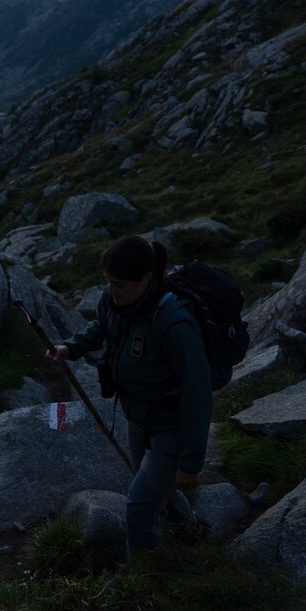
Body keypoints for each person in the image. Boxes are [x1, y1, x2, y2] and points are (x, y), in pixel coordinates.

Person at [46, 235, 212, 561]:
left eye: (118, 283)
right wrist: (71, 347)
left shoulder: (174, 323)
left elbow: (198, 390)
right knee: (149, 486)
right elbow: (103, 327)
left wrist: (190, 462)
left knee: (137, 505)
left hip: (170, 426)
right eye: (107, 281)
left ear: (146, 279)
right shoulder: (115, 302)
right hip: (137, 417)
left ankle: (143, 579)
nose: (110, 289)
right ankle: (188, 529)